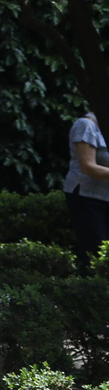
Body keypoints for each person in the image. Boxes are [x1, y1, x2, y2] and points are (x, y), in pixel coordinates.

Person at [64, 109, 109, 273]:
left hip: (106, 197)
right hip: (86, 198)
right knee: (95, 255)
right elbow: (89, 167)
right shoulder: (86, 125)